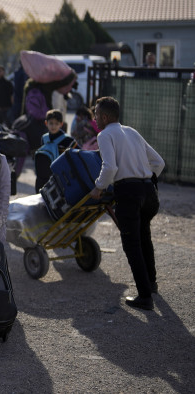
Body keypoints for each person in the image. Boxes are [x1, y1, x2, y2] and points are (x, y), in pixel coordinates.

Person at [89, 96, 165, 311]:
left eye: (96, 114)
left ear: (104, 116)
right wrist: (146, 180)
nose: (94, 118)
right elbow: (158, 162)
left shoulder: (104, 135)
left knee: (132, 245)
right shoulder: (131, 131)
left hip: (129, 193)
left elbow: (110, 167)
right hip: (149, 192)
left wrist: (99, 187)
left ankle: (144, 297)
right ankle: (151, 283)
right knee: (144, 236)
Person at [34, 110, 74, 193]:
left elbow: (76, 155)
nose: (53, 126)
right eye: (51, 123)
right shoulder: (44, 138)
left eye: (56, 123)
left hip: (61, 175)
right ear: (46, 123)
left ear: (61, 124)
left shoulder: (68, 140)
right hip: (45, 174)